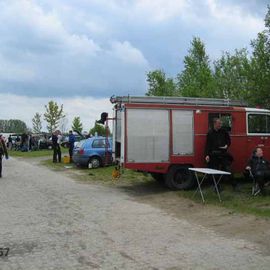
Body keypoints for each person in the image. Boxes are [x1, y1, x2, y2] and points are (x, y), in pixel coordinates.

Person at [205, 118, 237, 190]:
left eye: (220, 123)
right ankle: (217, 187)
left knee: (228, 169)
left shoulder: (224, 131)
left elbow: (229, 141)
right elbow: (207, 145)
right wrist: (207, 155)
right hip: (213, 154)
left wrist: (226, 145)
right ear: (214, 124)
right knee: (214, 171)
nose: (220, 125)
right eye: (219, 123)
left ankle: (234, 185)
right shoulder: (210, 133)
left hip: (223, 153)